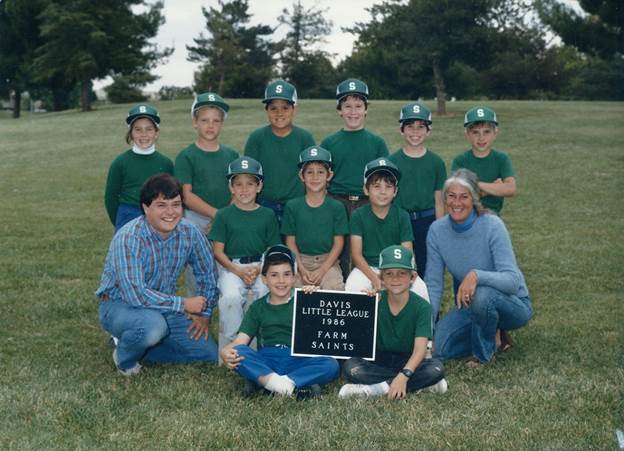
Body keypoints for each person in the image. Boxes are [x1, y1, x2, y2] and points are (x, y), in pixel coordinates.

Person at [96, 174, 218, 375]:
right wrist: (184, 304)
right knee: (152, 326)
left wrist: (204, 314)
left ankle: (137, 344)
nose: (170, 212)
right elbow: (135, 295)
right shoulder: (129, 238)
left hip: (164, 306)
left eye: (176, 204)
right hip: (121, 305)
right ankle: (125, 360)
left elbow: (208, 274)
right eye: (161, 205)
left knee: (208, 355)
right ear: (146, 208)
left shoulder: (190, 232)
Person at [425, 169, 533, 366]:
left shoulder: (492, 225)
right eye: (451, 196)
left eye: (464, 196)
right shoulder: (437, 231)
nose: (456, 203)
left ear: (474, 198)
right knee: (439, 349)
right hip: (469, 306)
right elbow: (433, 284)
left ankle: (483, 354)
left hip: (513, 303)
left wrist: (476, 275)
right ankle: (492, 333)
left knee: (483, 295)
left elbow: (512, 281)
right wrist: (426, 332)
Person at [220, 245, 340, 398]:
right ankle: (295, 385)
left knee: (331, 364)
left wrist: (314, 302)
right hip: (268, 358)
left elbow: (322, 335)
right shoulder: (258, 307)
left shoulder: (304, 300)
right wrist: (225, 351)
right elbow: (240, 341)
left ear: (295, 276)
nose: (281, 281)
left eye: (287, 274)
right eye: (274, 275)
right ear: (264, 279)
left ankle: (268, 383)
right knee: (239, 353)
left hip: (298, 358)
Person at [339, 245, 447, 399]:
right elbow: (357, 339)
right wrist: (365, 306)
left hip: (408, 359)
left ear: (413, 277)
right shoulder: (374, 301)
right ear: (381, 277)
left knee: (436, 369)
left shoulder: (422, 306)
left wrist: (404, 375)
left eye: (402, 273)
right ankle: (417, 385)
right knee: (351, 367)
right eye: (389, 274)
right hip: (379, 360)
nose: (395, 279)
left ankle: (377, 389)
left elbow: (420, 350)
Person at [207, 156, 281, 354]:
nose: (244, 189)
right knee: (230, 298)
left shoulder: (267, 214)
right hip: (232, 267)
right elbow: (218, 251)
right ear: (231, 188)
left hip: (260, 265)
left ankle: (267, 339)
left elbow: (272, 248)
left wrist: (260, 268)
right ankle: (236, 343)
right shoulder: (223, 215)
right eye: (238, 184)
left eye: (250, 184)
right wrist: (238, 271)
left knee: (267, 293)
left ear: (259, 186)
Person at [320, 78, 390, 274]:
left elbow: (386, 180)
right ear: (339, 110)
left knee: (364, 251)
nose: (353, 111)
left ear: (366, 109)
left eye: (358, 106)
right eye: (347, 106)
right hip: (336, 202)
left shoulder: (377, 143)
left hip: (367, 202)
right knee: (337, 252)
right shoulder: (329, 143)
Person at [174, 92, 239, 295]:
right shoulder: (187, 156)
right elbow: (186, 195)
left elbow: (238, 189)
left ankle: (225, 301)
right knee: (198, 268)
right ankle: (198, 312)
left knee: (224, 263)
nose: (210, 126)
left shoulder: (231, 155)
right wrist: (216, 214)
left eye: (216, 121)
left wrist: (224, 215)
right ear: (195, 122)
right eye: (204, 120)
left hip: (226, 215)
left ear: (222, 124)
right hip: (196, 220)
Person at [346, 157, 429, 301]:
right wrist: (375, 279)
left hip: (397, 266)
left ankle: (425, 324)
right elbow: (356, 255)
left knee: (420, 289)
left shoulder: (402, 215)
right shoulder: (358, 215)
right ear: (366, 189)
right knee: (353, 288)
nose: (383, 192)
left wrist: (408, 272)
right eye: (377, 186)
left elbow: (408, 252)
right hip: (368, 268)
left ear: (396, 191)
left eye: (388, 186)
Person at [244, 79, 315, 225]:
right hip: (264, 205)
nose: (279, 113)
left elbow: (313, 174)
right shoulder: (257, 138)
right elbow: (248, 176)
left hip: (297, 205)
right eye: (273, 108)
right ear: (266, 111)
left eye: (285, 107)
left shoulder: (304, 138)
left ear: (294, 109)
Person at [389, 102, 446, 279]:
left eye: (421, 127)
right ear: (401, 130)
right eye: (410, 127)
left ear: (428, 131)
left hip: (427, 221)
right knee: (399, 267)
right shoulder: (393, 161)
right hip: (400, 220)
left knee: (427, 267)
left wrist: (440, 230)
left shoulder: (436, 162)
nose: (415, 132)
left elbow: (439, 201)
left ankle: (428, 305)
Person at [281, 146, 348, 290]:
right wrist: (300, 268)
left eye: (320, 172)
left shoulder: (336, 207)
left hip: (328, 261)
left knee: (334, 287)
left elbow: (338, 243)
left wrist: (323, 270)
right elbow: (290, 242)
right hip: (300, 261)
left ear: (329, 175)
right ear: (301, 176)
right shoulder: (293, 206)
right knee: (290, 289)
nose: (315, 177)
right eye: (309, 172)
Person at [104, 104, 173, 232]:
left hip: (158, 214)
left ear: (156, 133)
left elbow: (173, 195)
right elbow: (110, 197)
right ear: (130, 133)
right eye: (138, 129)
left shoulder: (166, 163)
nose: (144, 134)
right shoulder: (120, 162)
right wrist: (119, 222)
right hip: (128, 214)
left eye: (149, 129)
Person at [451, 106, 516, 215]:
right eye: (475, 132)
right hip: (466, 217)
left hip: (493, 217)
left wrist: (476, 185)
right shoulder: (461, 160)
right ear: (467, 134)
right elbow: (458, 196)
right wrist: (495, 187)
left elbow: (510, 189)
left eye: (486, 132)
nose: (481, 138)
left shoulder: (501, 159)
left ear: (495, 133)